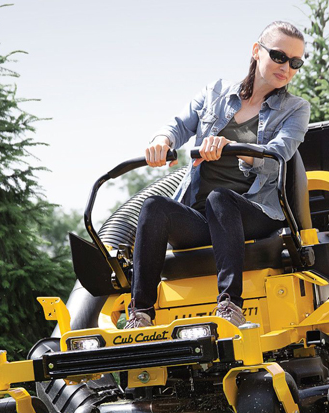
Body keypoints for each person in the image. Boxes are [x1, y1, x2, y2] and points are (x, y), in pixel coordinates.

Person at [126, 21, 311, 329]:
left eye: (295, 63)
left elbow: (278, 156)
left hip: (255, 212)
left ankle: (229, 307)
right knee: (154, 208)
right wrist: (162, 142)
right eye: (279, 56)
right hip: (203, 218)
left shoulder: (295, 110)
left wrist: (232, 147)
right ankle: (140, 315)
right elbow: (178, 125)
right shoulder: (215, 93)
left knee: (221, 199)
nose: (287, 67)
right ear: (257, 51)